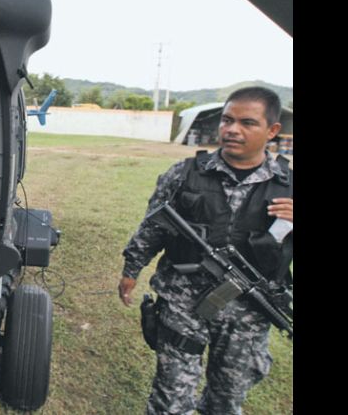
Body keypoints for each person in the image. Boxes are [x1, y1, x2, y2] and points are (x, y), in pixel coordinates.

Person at [118, 86, 293, 415]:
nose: (232, 130)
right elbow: (154, 227)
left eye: (247, 123)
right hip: (183, 303)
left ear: (272, 131)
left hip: (248, 315)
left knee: (226, 400)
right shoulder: (183, 175)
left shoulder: (289, 186)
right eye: (227, 120)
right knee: (171, 399)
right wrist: (132, 268)